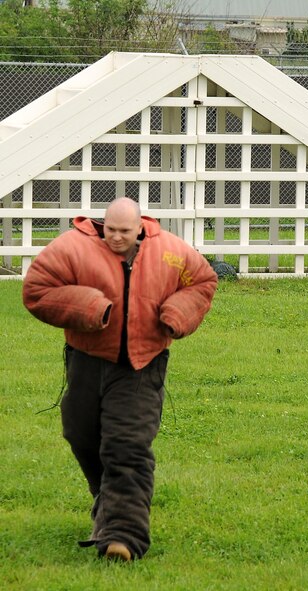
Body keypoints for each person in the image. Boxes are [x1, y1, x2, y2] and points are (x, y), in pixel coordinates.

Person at [22, 197, 217, 561]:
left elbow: (203, 281)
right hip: (87, 360)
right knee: (81, 435)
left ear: (140, 226)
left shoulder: (171, 252)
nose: (116, 237)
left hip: (142, 365)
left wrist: (177, 312)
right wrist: (90, 307)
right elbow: (36, 290)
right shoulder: (72, 248)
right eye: (110, 230)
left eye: (124, 231)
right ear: (102, 224)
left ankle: (123, 537)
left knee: (126, 446)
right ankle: (108, 501)